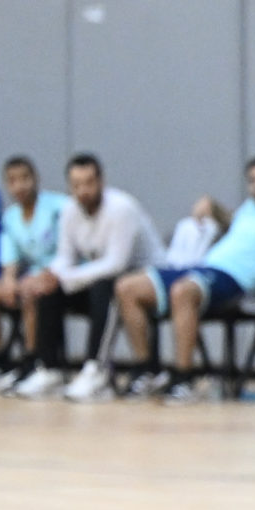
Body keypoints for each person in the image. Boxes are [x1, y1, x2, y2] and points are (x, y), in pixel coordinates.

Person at [112, 155, 255, 402]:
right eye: (253, 180)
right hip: (205, 268)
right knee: (127, 287)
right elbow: (231, 223)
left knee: (183, 291)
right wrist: (213, 208)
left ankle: (184, 379)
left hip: (237, 280)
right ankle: (145, 371)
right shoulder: (249, 208)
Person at [48, 155, 163, 402]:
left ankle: (96, 370)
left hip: (148, 281)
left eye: (89, 183)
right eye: (76, 185)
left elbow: (116, 264)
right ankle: (48, 369)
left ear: (102, 181)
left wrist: (68, 277)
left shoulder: (122, 208)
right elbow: (64, 257)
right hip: (104, 280)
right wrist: (51, 275)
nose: (83, 191)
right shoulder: (69, 210)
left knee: (105, 287)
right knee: (48, 289)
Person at [0, 156, 70, 393]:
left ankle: (32, 361)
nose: (20, 186)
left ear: (36, 179)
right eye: (13, 181)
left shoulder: (59, 207)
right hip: (29, 275)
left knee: (29, 290)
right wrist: (8, 281)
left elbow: (71, 250)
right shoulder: (10, 217)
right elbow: (9, 260)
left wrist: (40, 276)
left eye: (25, 178)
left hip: (60, 275)